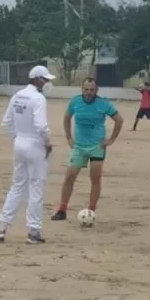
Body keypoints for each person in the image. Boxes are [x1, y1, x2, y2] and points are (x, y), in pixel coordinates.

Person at [0, 65, 55, 244]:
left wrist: (16, 138)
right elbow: (41, 126)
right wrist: (47, 143)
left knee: (17, 185)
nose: (48, 83)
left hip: (20, 142)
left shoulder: (18, 95)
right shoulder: (38, 98)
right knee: (36, 187)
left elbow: (6, 122)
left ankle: (1, 228)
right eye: (46, 79)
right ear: (36, 79)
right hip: (35, 143)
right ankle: (34, 231)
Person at [51, 77, 124, 221]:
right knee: (70, 176)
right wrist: (69, 138)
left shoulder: (103, 103)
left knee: (95, 177)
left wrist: (111, 139)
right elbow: (67, 118)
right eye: (86, 89)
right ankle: (62, 209)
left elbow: (119, 120)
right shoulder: (75, 101)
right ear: (82, 89)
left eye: (92, 89)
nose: (89, 92)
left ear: (97, 90)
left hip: (97, 146)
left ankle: (91, 210)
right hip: (79, 146)